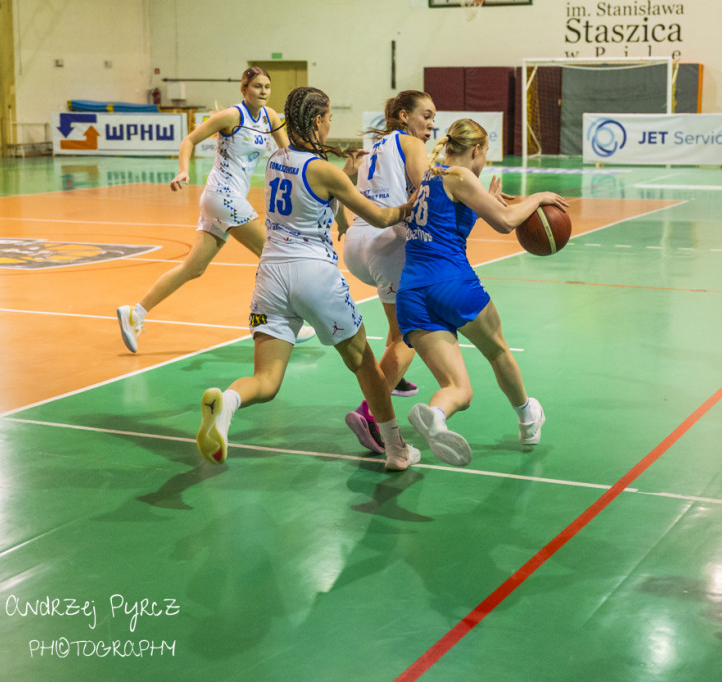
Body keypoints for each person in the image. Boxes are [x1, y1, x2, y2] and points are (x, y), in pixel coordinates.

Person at [195, 86, 420, 472]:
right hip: (314, 275)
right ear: (317, 120)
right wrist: (412, 204)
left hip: (270, 276)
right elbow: (381, 216)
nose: (331, 126)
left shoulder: (275, 159)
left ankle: (227, 404)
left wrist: (342, 178)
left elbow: (312, 192)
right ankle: (397, 450)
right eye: (329, 119)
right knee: (365, 364)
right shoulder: (324, 171)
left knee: (265, 380)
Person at [397, 119, 567, 466]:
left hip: (411, 292)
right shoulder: (461, 176)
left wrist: (483, 200)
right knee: (497, 350)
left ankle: (436, 415)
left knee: (459, 389)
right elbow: (505, 221)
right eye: (485, 154)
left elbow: (446, 220)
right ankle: (527, 416)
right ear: (475, 150)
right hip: (452, 284)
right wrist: (537, 197)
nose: (484, 161)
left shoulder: (431, 175)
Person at [116, 67, 299, 353]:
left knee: (193, 268)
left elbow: (288, 154)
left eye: (267, 86)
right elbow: (189, 140)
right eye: (257, 86)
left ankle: (134, 313)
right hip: (222, 196)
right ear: (244, 89)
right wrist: (182, 170)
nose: (263, 91)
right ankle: (278, 322)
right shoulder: (231, 116)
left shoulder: (270, 117)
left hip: (226, 199)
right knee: (273, 255)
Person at [341, 90, 436, 454]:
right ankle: (370, 412)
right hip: (388, 244)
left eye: (432, 118)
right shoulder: (411, 144)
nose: (430, 124)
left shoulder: (373, 148)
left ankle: (394, 378)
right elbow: (427, 191)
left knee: (397, 327)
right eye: (425, 116)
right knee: (412, 335)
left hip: (355, 243)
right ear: (402, 115)